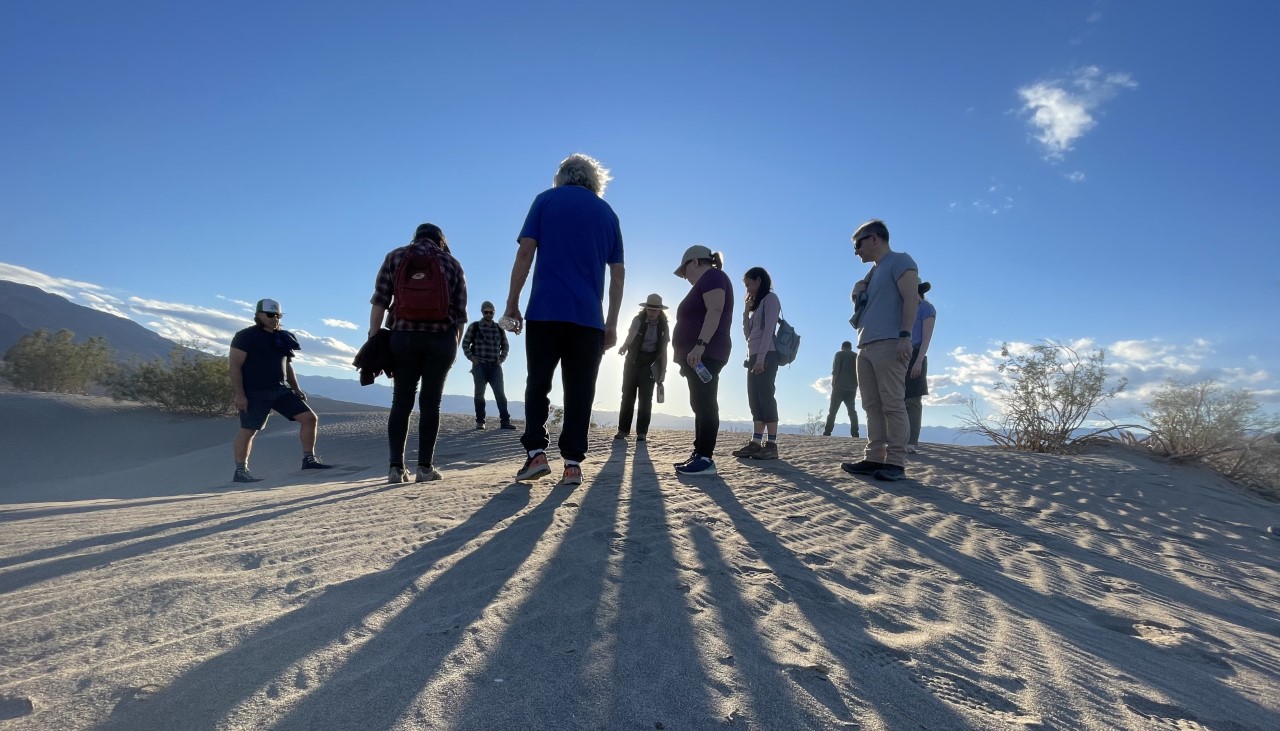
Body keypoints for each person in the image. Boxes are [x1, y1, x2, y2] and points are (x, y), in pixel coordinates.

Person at [502, 153, 625, 486]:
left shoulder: (545, 201)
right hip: (588, 319)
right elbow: (618, 273)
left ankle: (536, 454)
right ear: (594, 179)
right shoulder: (608, 214)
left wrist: (512, 303)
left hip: (545, 310)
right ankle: (572, 464)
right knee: (580, 391)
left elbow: (525, 253)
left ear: (561, 176)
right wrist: (612, 321)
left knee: (538, 383)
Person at [368, 223, 468, 484]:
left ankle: (395, 469)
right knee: (431, 403)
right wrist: (454, 345)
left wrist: (374, 336)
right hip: (441, 340)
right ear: (441, 241)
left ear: (415, 237)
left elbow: (380, 299)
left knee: (401, 402)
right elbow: (460, 313)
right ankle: (425, 468)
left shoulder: (396, 256)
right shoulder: (452, 263)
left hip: (403, 338)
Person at [841, 219, 919, 482]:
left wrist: (905, 335)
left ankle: (896, 462)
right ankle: (874, 457)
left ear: (874, 238)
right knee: (871, 405)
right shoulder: (872, 273)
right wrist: (857, 294)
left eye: (858, 244)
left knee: (893, 403)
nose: (856, 251)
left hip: (890, 341)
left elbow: (911, 299)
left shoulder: (900, 260)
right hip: (865, 345)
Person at [228, 298, 333, 483]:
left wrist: (296, 388)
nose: (274, 318)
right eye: (269, 315)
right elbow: (235, 365)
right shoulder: (245, 336)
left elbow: (288, 365)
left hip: (280, 389)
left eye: (277, 315)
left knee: (309, 418)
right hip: (255, 391)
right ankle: (240, 471)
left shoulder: (283, 336)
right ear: (258, 315)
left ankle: (308, 459)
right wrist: (240, 394)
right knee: (249, 430)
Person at [671, 245, 734, 476]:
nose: (685, 276)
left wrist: (699, 345)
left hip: (706, 352)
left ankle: (706, 458)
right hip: (697, 356)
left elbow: (715, 310)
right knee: (699, 403)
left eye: (685, 270)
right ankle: (699, 454)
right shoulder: (706, 280)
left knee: (705, 402)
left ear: (695, 262)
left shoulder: (713, 276)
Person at [732, 267, 782, 460]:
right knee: (755, 399)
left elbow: (769, 330)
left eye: (749, 284)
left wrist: (761, 360)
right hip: (754, 357)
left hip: (767, 356)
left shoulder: (771, 299)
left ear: (759, 280)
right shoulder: (758, 305)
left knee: (766, 397)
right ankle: (755, 442)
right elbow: (748, 336)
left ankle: (771, 444)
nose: (748, 289)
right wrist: (746, 312)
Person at [615, 293, 669, 443]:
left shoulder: (664, 326)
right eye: (649, 309)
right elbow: (631, 335)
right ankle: (623, 430)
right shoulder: (638, 320)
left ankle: (642, 433)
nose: (651, 313)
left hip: (650, 364)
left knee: (646, 399)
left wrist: (663, 371)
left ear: (659, 311)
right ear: (646, 309)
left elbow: (664, 350)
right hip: (633, 360)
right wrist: (625, 346)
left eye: (654, 310)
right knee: (627, 395)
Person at [461, 300, 515, 431]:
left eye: (491, 312)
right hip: (480, 366)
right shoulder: (475, 326)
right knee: (479, 395)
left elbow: (505, 346)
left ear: (494, 313)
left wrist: (501, 359)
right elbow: (465, 344)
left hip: (495, 366)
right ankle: (480, 422)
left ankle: (505, 421)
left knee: (500, 394)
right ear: (482, 312)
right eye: (486, 312)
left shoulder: (499, 328)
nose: (489, 314)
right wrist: (473, 359)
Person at [906, 281, 936, 453]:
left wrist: (918, 361)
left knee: (913, 400)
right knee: (898, 399)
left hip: (916, 353)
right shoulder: (903, 309)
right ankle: (898, 438)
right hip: (901, 354)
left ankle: (912, 441)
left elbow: (926, 338)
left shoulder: (926, 308)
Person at [824, 342, 860, 437]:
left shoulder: (839, 354)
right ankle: (855, 432)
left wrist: (833, 382)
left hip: (839, 386)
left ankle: (827, 431)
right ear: (851, 347)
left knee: (832, 411)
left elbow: (836, 369)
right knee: (852, 411)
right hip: (852, 387)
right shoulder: (856, 356)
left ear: (842, 347)